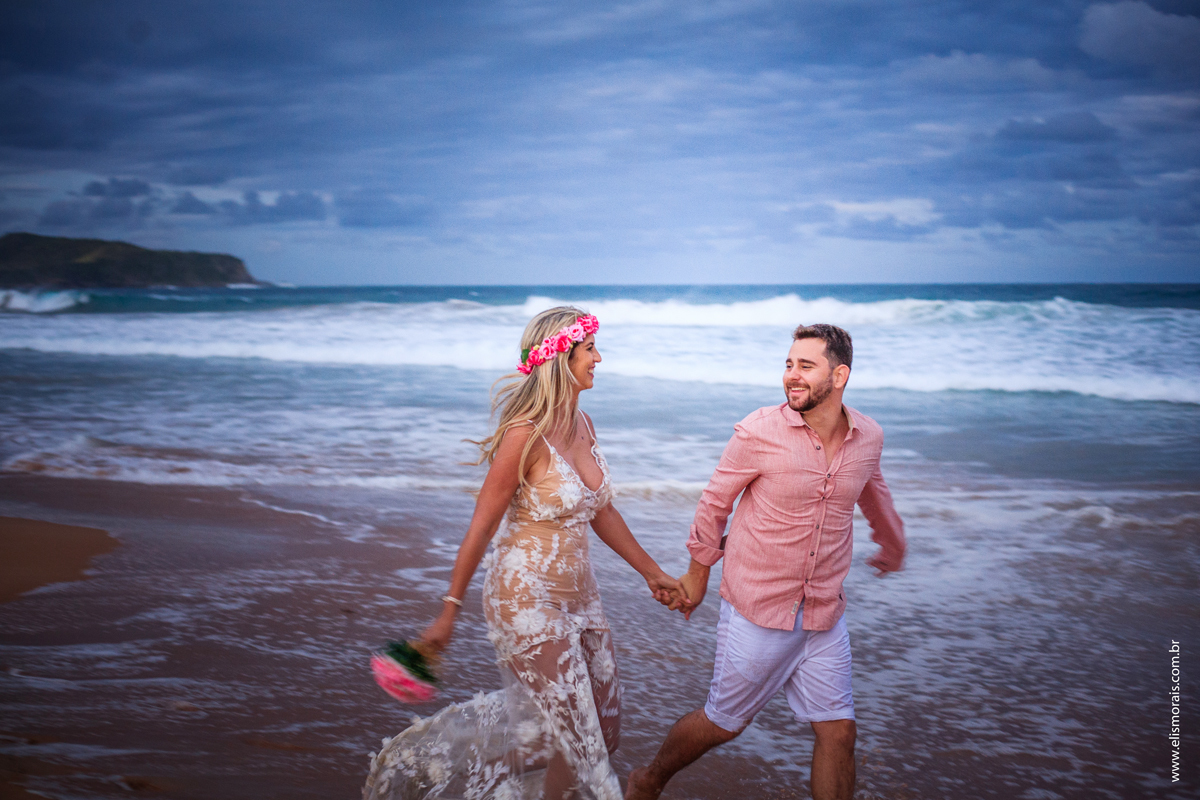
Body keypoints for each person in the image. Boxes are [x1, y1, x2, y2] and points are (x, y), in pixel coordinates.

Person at [364, 306, 686, 800]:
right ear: (561, 356)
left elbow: (601, 511)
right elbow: (481, 525)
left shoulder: (584, 423)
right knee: (584, 752)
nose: (599, 358)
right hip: (525, 601)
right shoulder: (524, 434)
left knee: (601, 732)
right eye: (590, 349)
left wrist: (653, 573)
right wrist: (448, 611)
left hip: (582, 598)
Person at [626, 324, 906, 800]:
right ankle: (649, 779)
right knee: (724, 722)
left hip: (824, 612)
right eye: (788, 364)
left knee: (839, 731)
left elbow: (872, 490)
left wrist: (892, 542)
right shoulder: (759, 430)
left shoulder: (869, 436)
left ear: (839, 376)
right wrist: (698, 573)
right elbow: (715, 503)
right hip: (759, 609)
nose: (791, 376)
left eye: (805, 366)